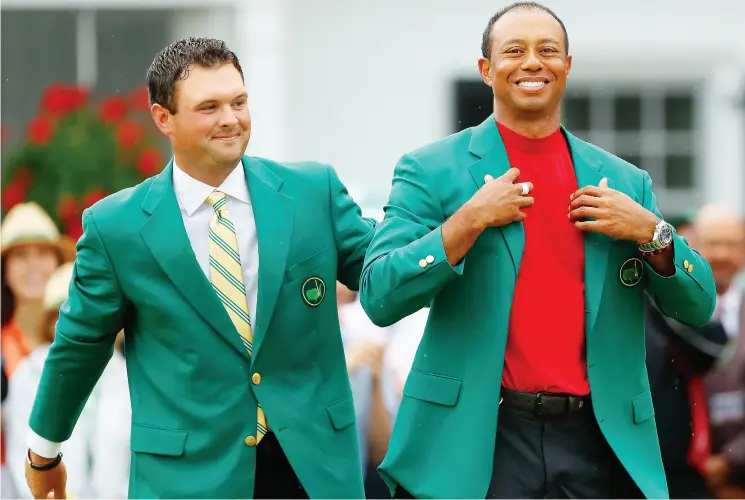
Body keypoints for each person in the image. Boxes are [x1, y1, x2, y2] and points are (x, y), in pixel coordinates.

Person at [358, 2, 716, 498]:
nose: (532, 63)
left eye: (548, 50)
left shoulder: (626, 183)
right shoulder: (430, 170)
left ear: (567, 65)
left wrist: (650, 230)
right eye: (514, 51)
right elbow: (379, 295)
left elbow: (697, 306)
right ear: (487, 70)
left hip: (597, 437)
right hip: (479, 437)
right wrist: (469, 220)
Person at [24, 37, 375, 499]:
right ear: (163, 118)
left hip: (312, 471)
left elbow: (385, 272)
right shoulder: (116, 227)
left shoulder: (314, 191)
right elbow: (79, 346)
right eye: (209, 106)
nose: (230, 118)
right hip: (186, 480)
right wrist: (44, 452)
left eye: (239, 101)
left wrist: (453, 234)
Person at [643, 214, 728, 498]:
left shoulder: (670, 300)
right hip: (652, 450)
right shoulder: (639, 294)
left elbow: (715, 349)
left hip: (696, 460)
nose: (722, 253)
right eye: (714, 243)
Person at [694, 204, 745, 498]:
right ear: (694, 246)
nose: (722, 254)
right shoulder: (664, 315)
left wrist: (729, 461)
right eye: (713, 244)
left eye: (732, 245)